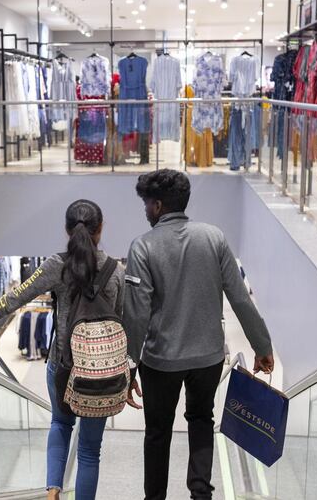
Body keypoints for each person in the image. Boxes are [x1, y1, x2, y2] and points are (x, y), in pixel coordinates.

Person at [0, 200, 125, 500]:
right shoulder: (116, 271)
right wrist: (128, 373)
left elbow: (9, 302)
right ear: (100, 229)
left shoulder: (56, 266)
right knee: (90, 451)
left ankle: (53, 490)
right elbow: (122, 324)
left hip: (63, 367)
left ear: (67, 230)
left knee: (60, 423)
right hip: (102, 374)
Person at [123, 169, 274, 500]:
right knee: (201, 420)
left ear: (158, 205)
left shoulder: (142, 248)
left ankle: (155, 498)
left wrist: (128, 368)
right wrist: (262, 346)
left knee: (158, 432)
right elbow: (240, 298)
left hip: (161, 361)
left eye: (147, 203)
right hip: (207, 358)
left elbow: (136, 315)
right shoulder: (214, 238)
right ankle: (200, 493)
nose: (145, 210)